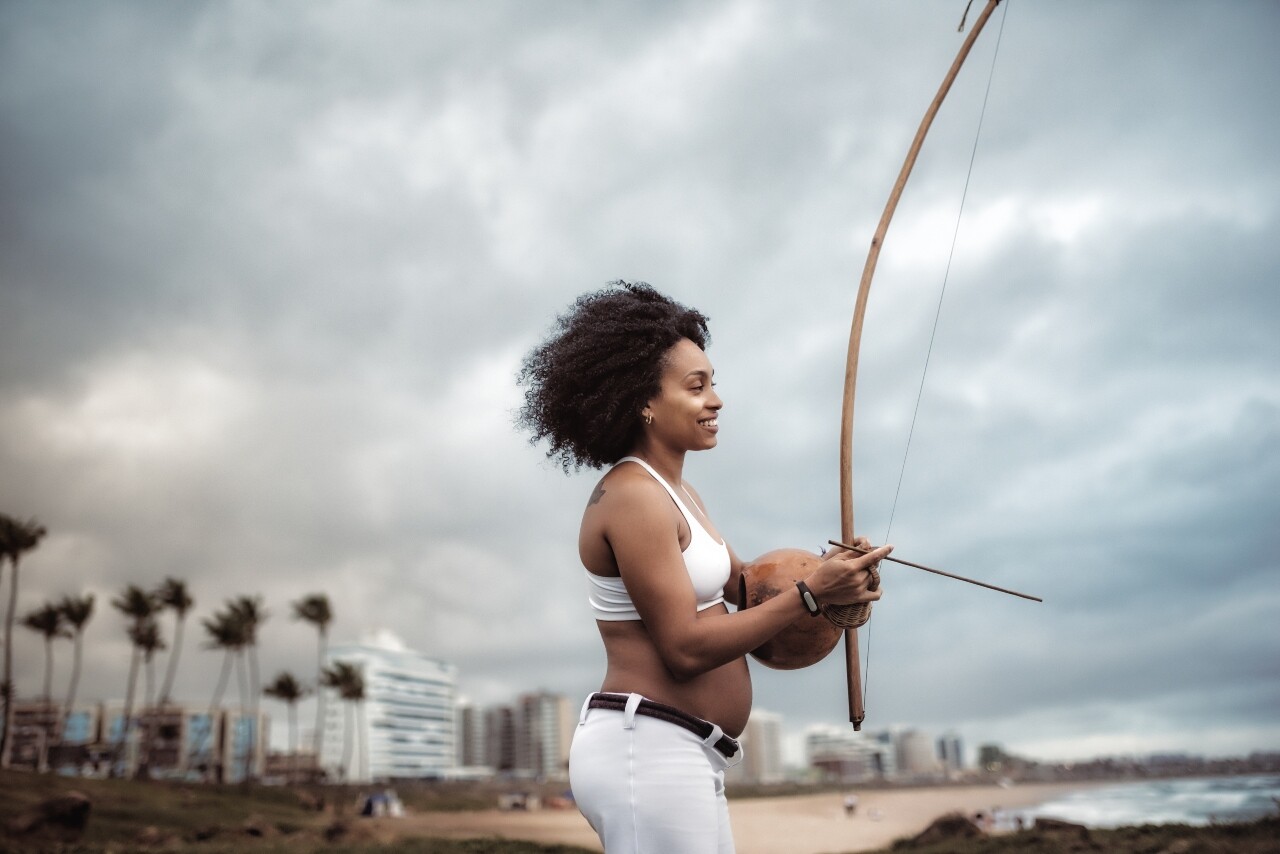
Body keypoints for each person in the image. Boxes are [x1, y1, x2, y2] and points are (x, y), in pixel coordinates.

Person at [517, 281, 890, 854]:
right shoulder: (632, 496)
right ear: (643, 401)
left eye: (713, 384)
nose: (716, 400)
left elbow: (750, 588)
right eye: (697, 387)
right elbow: (684, 647)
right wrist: (813, 594)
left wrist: (839, 577)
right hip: (646, 750)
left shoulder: (678, 493)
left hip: (687, 751)